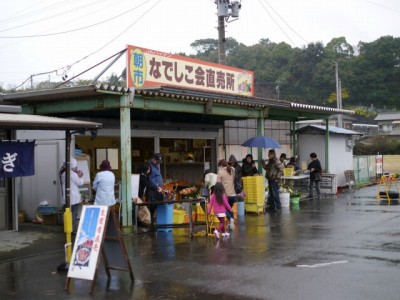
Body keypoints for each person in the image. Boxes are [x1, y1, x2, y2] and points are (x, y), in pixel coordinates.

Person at [60, 157, 84, 232]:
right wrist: (80, 176)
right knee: (74, 213)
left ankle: (67, 228)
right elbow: (80, 183)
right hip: (73, 197)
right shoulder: (72, 174)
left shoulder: (63, 173)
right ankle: (72, 229)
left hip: (67, 196)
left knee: (67, 212)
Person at [217, 159, 236, 230]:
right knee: (229, 209)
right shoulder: (232, 169)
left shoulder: (220, 172)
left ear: (221, 166)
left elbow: (218, 185)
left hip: (225, 196)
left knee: (223, 208)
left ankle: (231, 219)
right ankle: (231, 224)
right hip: (233, 195)